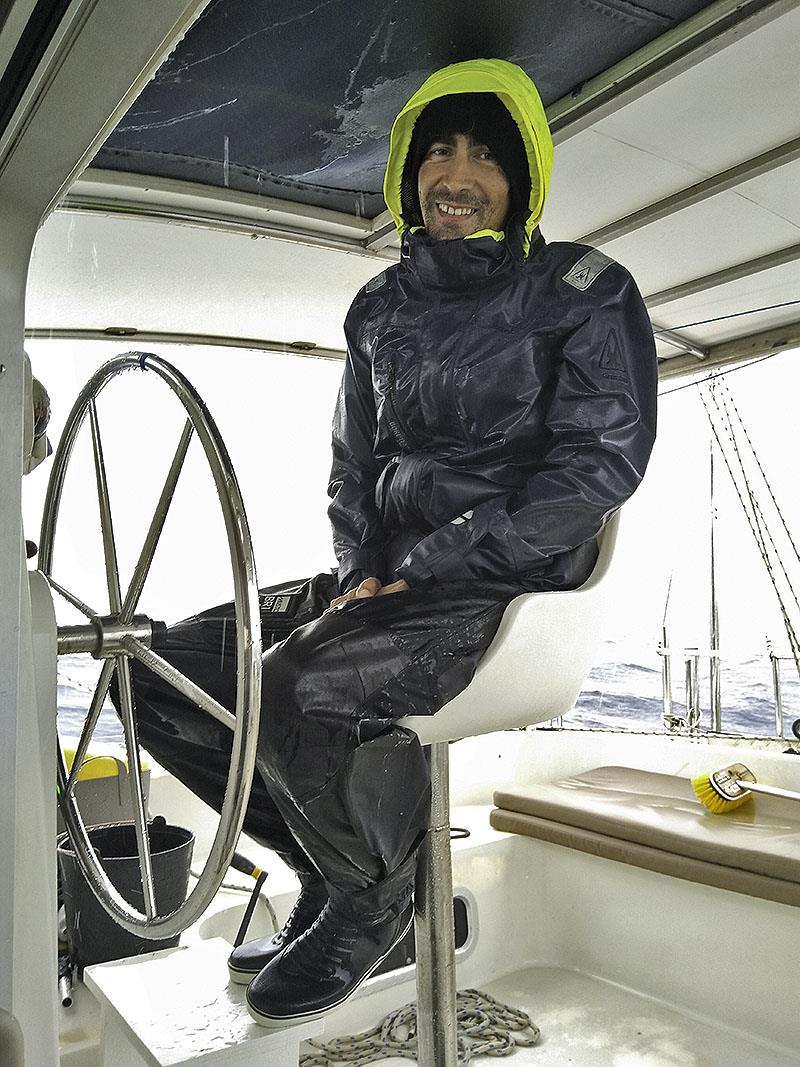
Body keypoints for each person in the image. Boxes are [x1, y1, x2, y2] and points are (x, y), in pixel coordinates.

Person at [125, 58, 657, 1029]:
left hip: (506, 588)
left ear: (524, 179)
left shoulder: (584, 289)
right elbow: (351, 463)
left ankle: (375, 898)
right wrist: (360, 570)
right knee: (156, 670)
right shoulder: (377, 308)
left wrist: (429, 563)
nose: (456, 174)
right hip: (390, 584)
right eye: (437, 151)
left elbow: (594, 466)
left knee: (296, 685)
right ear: (408, 172)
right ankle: (327, 869)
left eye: (485, 156)